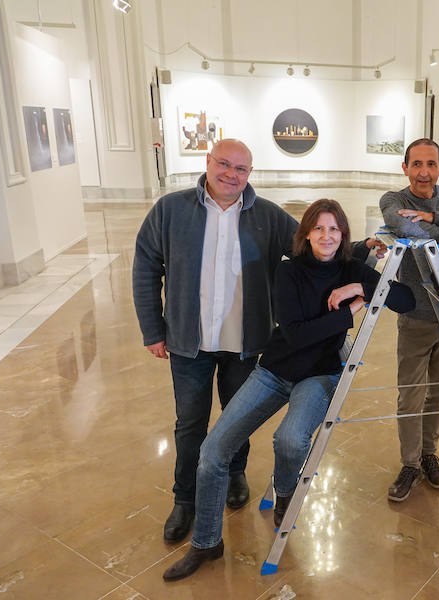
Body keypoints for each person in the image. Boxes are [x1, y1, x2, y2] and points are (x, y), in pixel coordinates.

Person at [132, 140, 384, 543]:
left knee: (237, 417)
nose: (231, 174)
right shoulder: (170, 210)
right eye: (224, 165)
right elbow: (146, 266)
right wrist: (152, 329)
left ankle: (234, 476)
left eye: (241, 169)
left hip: (245, 342)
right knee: (190, 423)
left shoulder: (266, 215)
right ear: (208, 163)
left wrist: (361, 249)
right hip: (187, 342)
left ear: (250, 173)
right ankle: (185, 499)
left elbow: (311, 245)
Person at [161, 199, 415, 581]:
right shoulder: (288, 271)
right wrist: (348, 313)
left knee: (291, 440)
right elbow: (294, 334)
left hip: (319, 375)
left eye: (334, 229)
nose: (326, 236)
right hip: (274, 371)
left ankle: (284, 494)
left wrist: (358, 286)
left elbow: (407, 300)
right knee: (213, 451)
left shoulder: (352, 268)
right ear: (307, 233)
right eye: (319, 228)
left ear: (343, 234)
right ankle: (207, 543)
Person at [379, 138, 439, 501]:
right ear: (405, 167)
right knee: (410, 396)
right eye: (416, 164)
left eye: (431, 164)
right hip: (416, 315)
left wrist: (433, 218)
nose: (424, 172)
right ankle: (410, 463)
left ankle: (429, 454)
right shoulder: (394, 200)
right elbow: (402, 227)